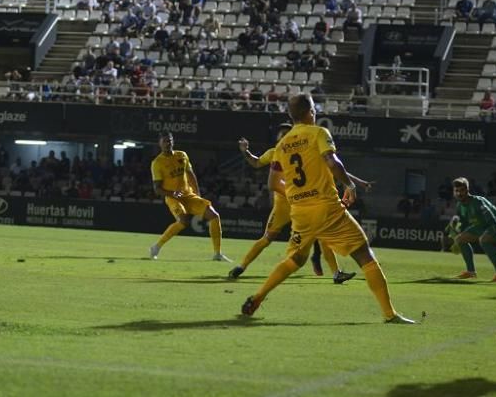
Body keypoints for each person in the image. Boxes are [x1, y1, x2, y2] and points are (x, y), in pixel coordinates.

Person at [239, 95, 416, 324]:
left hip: (300, 211)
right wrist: (350, 185)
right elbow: (332, 162)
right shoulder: (319, 133)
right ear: (310, 111)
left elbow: (273, 182)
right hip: (326, 207)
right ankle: (390, 314)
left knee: (295, 260)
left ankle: (258, 296)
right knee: (364, 254)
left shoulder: (282, 145)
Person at [229, 125, 363, 284]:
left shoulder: (302, 152)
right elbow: (257, 163)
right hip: (286, 205)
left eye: (286, 134)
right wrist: (245, 151)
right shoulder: (276, 152)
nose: (285, 138)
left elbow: (328, 166)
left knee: (322, 236)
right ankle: (242, 266)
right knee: (268, 237)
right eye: (282, 135)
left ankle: (336, 273)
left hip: (302, 203)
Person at [149, 132, 230, 261]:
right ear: (159, 143)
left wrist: (197, 193)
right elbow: (157, 189)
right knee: (183, 221)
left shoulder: (182, 155)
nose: (167, 143)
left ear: (173, 142)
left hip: (188, 194)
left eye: (169, 140)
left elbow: (190, 174)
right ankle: (156, 247)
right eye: (164, 141)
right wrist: (173, 194)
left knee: (214, 216)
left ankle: (217, 254)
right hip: (173, 197)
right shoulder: (157, 163)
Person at [448, 178, 496, 282]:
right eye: (456, 191)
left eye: (461, 190)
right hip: (482, 225)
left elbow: (493, 220)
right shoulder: (460, 205)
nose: (459, 193)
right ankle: (471, 272)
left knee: (484, 240)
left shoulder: (478, 202)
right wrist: (454, 235)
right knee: (460, 239)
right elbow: (462, 225)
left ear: (467, 190)